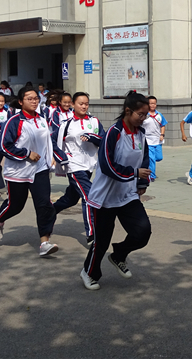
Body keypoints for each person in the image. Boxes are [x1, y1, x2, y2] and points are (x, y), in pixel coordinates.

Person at [81, 91, 152, 290]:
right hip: (105, 196)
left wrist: (141, 183)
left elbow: (144, 159)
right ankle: (89, 272)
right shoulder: (113, 132)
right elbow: (107, 166)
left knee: (143, 231)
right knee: (101, 242)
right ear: (128, 111)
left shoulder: (141, 134)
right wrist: (134, 173)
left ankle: (119, 254)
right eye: (140, 114)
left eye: (146, 114)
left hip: (127, 194)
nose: (143, 118)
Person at [0, 86, 59, 256]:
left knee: (44, 205)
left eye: (36, 98)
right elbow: (4, 147)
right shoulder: (14, 121)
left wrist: (51, 156)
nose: (34, 101)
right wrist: (27, 154)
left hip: (40, 170)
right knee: (16, 205)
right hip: (18, 171)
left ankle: (45, 242)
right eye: (29, 98)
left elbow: (48, 141)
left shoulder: (42, 119)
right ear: (21, 102)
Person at [52, 92, 105, 245]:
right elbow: (53, 140)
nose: (84, 106)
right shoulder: (67, 124)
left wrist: (92, 137)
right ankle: (92, 235)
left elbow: (103, 138)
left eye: (86, 103)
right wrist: (61, 157)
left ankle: (50, 211)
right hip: (73, 165)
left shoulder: (94, 121)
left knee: (71, 198)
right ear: (73, 105)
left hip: (89, 164)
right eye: (81, 103)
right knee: (89, 197)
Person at [143, 96, 167, 181]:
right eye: (150, 103)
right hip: (148, 140)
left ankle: (148, 164)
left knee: (159, 157)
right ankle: (152, 175)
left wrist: (162, 134)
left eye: (154, 103)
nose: (152, 105)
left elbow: (163, 125)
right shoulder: (144, 115)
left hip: (157, 139)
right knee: (152, 158)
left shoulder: (159, 115)